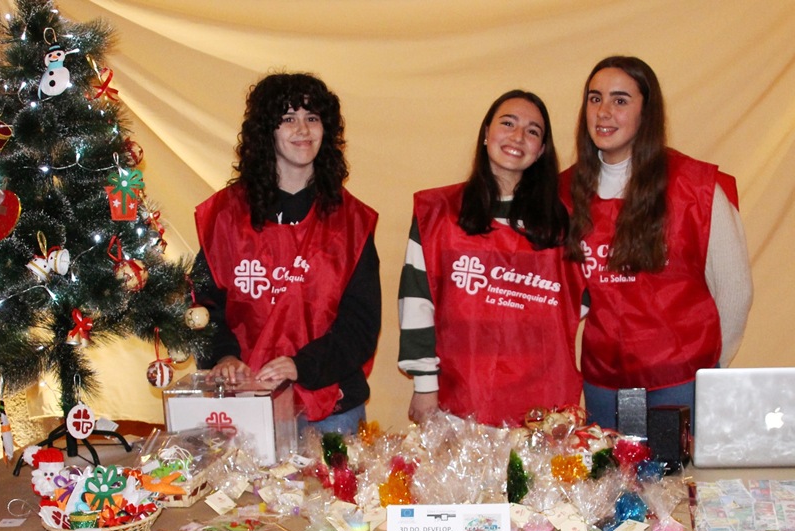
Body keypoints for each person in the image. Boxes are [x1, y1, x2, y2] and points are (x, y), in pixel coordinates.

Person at [559, 56, 753, 429]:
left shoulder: (695, 187)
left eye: (620, 100)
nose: (603, 112)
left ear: (647, 112)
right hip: (604, 383)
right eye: (595, 98)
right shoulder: (565, 192)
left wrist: (711, 370)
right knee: (613, 484)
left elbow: (735, 290)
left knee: (677, 485)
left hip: (680, 380)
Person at [193, 72, 380, 435]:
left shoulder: (352, 222)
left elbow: (361, 325)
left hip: (331, 408)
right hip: (244, 404)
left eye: (313, 118)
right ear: (267, 131)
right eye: (289, 118)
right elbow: (203, 307)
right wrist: (224, 356)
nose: (303, 129)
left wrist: (302, 365)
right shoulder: (225, 216)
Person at [398, 90, 583, 428]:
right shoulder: (437, 213)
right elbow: (417, 301)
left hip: (544, 408)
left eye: (532, 131)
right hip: (460, 404)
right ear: (486, 133)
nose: (517, 137)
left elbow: (585, 300)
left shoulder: (565, 222)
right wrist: (425, 385)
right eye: (508, 123)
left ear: (542, 150)